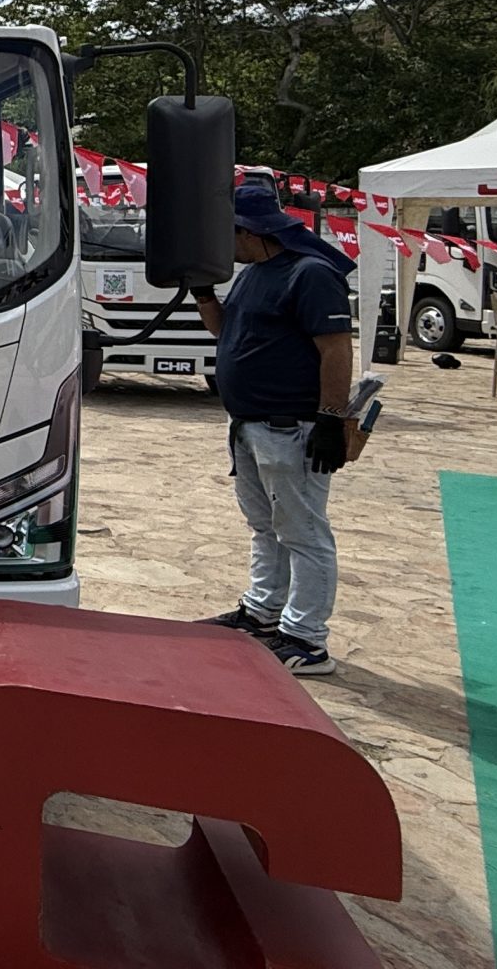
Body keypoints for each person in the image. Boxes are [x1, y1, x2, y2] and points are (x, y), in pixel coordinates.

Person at [189, 185, 358, 676]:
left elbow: (335, 348)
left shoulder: (310, 274)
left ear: (249, 231)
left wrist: (330, 417)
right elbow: (227, 332)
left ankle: (306, 638)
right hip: (250, 425)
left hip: (290, 426)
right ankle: (263, 612)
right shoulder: (254, 275)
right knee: (266, 527)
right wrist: (204, 295)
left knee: (303, 532)